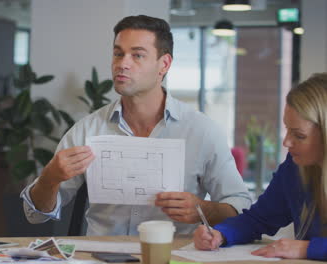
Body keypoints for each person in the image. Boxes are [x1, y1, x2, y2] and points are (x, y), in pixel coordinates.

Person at [21, 15, 251, 235]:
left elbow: (240, 204)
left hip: (174, 256)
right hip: (100, 256)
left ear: (164, 64)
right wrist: (50, 178)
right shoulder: (87, 130)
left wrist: (204, 209)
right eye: (118, 54)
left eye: (137, 55)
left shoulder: (202, 131)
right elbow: (35, 215)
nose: (123, 64)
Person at [193, 72, 327, 260]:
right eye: (287, 130)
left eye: (299, 135)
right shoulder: (294, 167)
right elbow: (258, 219)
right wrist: (220, 234)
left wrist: (306, 249)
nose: (287, 142)